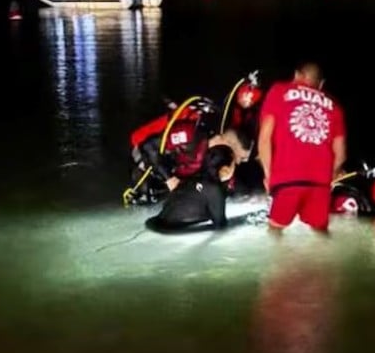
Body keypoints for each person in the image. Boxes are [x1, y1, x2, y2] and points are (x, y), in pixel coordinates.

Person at [257, 62, 347, 231]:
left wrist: (269, 176)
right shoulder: (335, 106)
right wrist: (327, 180)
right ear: (321, 83)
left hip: (287, 179)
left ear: (297, 75)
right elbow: (341, 154)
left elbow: (264, 138)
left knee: (275, 230)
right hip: (320, 182)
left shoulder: (279, 90)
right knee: (320, 232)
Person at [145, 144, 236, 232]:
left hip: (160, 223)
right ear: (225, 170)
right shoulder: (214, 189)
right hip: (177, 230)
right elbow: (220, 225)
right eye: (233, 164)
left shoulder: (193, 178)